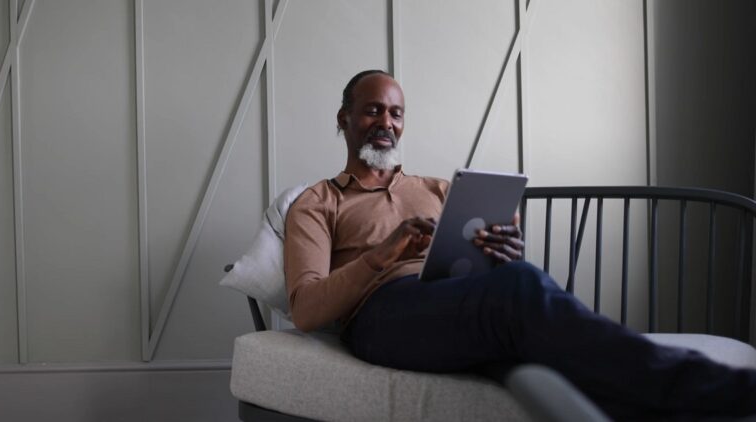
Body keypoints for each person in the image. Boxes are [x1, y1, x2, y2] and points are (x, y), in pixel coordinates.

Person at [283, 69, 756, 419]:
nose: (386, 121)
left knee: (525, 317)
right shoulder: (318, 200)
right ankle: (712, 388)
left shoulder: (439, 189)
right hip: (381, 314)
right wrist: (379, 257)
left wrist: (500, 251)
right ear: (344, 119)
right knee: (520, 290)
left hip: (453, 300)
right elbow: (305, 310)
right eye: (372, 109)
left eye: (396, 112)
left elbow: (487, 272)